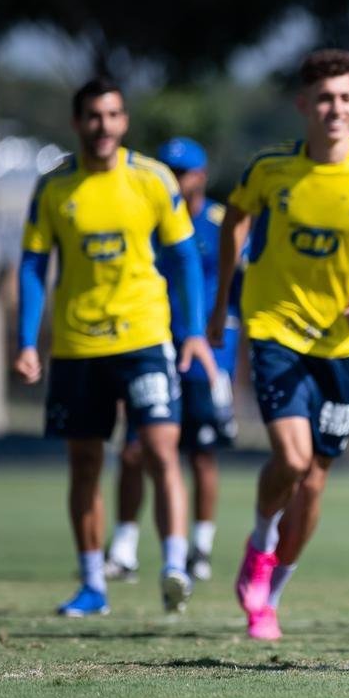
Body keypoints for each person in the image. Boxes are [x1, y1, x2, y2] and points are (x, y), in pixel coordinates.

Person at [210, 48, 349, 640]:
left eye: (345, 97)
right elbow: (235, 221)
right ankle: (260, 539)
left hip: (344, 344)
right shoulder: (270, 168)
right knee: (293, 459)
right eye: (323, 98)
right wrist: (226, 300)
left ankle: (270, 595)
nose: (334, 107)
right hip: (276, 329)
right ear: (304, 104)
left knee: (318, 477)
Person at [15, 76, 214, 616]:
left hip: (145, 337)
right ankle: (92, 585)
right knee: (84, 464)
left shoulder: (152, 180)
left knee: (159, 449)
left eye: (113, 115)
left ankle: (174, 567)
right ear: (79, 123)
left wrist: (193, 331)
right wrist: (26, 340)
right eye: (93, 117)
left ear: (124, 121)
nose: (103, 126)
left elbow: (184, 258)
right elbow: (34, 264)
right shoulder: (55, 187)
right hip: (79, 345)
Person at [104, 138, 240, 585]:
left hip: (206, 355)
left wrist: (227, 340)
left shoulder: (221, 222)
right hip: (154, 345)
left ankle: (200, 547)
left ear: (201, 176)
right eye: (171, 171)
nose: (177, 180)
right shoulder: (150, 216)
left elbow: (244, 279)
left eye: (184, 173)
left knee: (200, 454)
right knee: (134, 450)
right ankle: (123, 549)